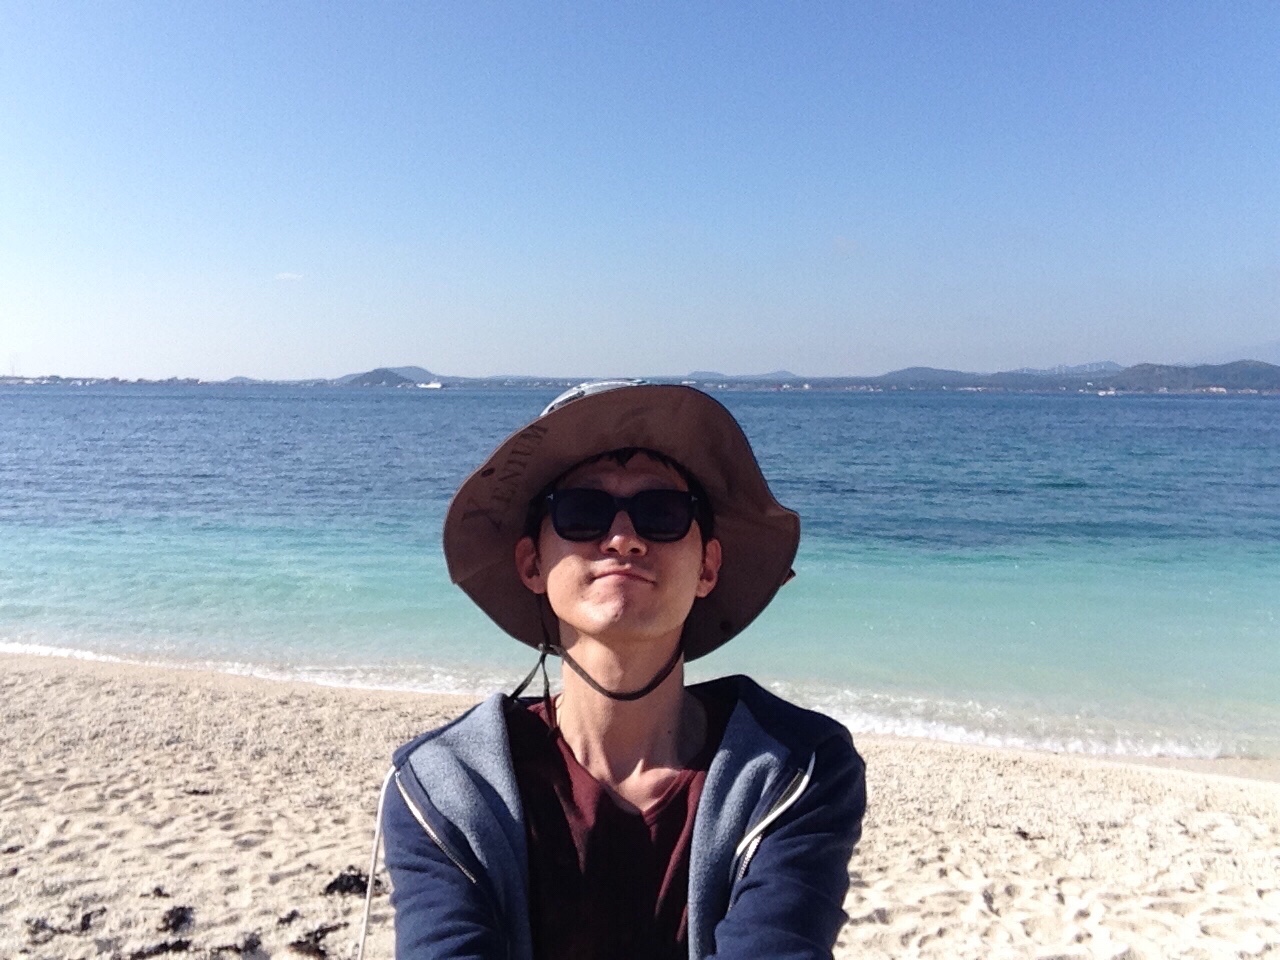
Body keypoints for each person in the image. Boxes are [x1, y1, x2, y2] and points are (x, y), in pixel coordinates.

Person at [362, 381, 866, 960]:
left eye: (662, 513)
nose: (623, 539)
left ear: (708, 567)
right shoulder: (444, 787)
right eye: (583, 512)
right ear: (532, 563)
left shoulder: (797, 768)